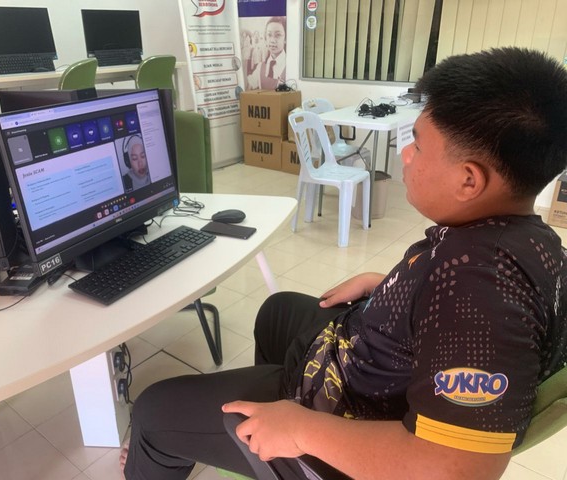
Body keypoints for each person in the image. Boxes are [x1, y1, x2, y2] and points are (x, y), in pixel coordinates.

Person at [121, 47, 567, 480]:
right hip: (355, 367)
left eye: (417, 145)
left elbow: (451, 470)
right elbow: (455, 314)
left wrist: (301, 429)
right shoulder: (527, 237)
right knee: (278, 311)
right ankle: (261, 447)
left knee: (154, 411)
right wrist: (390, 286)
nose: (405, 155)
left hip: (346, 419)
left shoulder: (480, 292)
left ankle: (262, 443)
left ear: (468, 180)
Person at [247, 17, 286, 90]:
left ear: (285, 38)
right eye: (269, 35)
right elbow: (247, 86)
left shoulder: (291, 66)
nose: (272, 40)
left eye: (278, 35)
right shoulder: (260, 67)